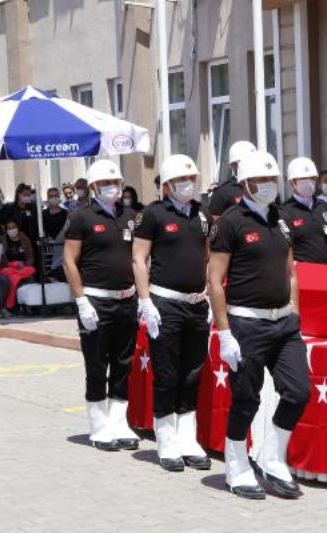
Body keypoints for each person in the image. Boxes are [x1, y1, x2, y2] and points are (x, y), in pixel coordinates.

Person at [208, 151, 311, 500]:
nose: (269, 186)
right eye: (261, 181)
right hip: (246, 325)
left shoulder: (281, 220)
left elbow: (290, 271)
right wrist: (224, 333)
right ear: (246, 184)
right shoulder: (230, 222)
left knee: (299, 392)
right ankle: (236, 465)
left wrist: (294, 311)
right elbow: (214, 278)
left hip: (284, 323)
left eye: (273, 180)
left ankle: (271, 456)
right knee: (245, 399)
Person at [133, 154, 212, 472]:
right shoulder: (152, 214)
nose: (188, 184)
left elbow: (208, 256)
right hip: (165, 303)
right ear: (167, 184)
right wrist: (145, 301)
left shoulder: (201, 214)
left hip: (196, 304)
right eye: (182, 179)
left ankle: (187, 438)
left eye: (192, 178)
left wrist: (207, 293)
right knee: (167, 374)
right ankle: (166, 440)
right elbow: (139, 259)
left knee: (192, 373)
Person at [63, 159, 140, 452]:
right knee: (97, 364)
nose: (113, 188)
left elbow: (140, 256)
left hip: (126, 300)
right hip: (95, 301)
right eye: (107, 184)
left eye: (116, 183)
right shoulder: (82, 217)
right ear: (94, 187)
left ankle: (118, 422)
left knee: (123, 364)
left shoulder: (131, 216)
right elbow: (70, 260)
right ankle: (98, 425)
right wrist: (81, 300)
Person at [281, 157, 327, 265]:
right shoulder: (284, 212)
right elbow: (284, 252)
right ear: (292, 183)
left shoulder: (326, 208)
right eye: (303, 178)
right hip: (303, 275)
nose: (309, 182)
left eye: (312, 178)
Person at [208, 140, 257, 220]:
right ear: (233, 165)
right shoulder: (223, 192)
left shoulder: (265, 185)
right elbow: (216, 223)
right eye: (246, 162)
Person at [0, 219, 36, 310]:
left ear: (17, 228)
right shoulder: (3, 241)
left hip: (24, 267)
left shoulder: (25, 239)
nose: (12, 230)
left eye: (14, 227)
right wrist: (13, 265)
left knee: (31, 275)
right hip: (9, 268)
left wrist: (24, 265)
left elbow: (31, 256)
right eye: (9, 228)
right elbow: (1, 260)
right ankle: (15, 307)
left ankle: (30, 305)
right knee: (12, 278)